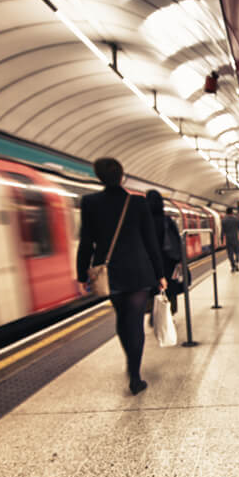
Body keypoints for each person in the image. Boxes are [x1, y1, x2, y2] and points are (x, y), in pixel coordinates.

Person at [76, 158, 165, 396]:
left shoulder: (90, 202)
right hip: (139, 271)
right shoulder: (137, 202)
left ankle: (130, 359)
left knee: (122, 318)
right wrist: (160, 274)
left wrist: (81, 273)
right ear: (122, 176)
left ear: (98, 178)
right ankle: (135, 375)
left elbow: (86, 242)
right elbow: (150, 241)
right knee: (135, 321)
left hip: (109, 271)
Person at [146, 189, 181, 314]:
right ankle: (170, 312)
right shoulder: (167, 220)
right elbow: (177, 240)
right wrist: (180, 260)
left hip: (150, 261)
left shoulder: (144, 221)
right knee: (170, 287)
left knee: (153, 287)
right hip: (168, 260)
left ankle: (153, 312)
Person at [221, 207, 239, 272]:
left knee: (230, 254)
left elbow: (222, 231)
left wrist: (222, 240)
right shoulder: (236, 219)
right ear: (232, 212)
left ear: (226, 212)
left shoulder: (224, 220)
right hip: (236, 239)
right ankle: (237, 261)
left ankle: (233, 266)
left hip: (228, 240)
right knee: (238, 252)